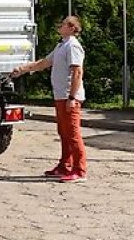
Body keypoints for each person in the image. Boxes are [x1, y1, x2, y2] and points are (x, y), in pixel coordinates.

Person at [11, 15, 87, 183]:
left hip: (68, 96)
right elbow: (45, 63)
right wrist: (23, 69)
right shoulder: (61, 45)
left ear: (72, 28)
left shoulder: (73, 46)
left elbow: (77, 72)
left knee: (73, 134)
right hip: (61, 96)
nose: (59, 26)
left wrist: (72, 97)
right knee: (64, 133)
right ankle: (65, 165)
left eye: (63, 24)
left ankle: (79, 170)